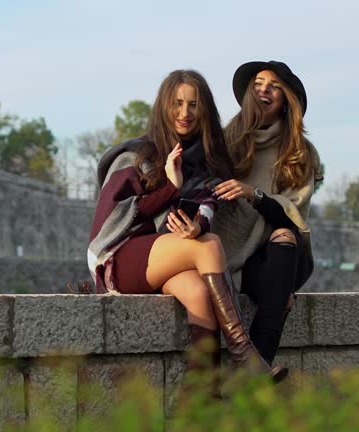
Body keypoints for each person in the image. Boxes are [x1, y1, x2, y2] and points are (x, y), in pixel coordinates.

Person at [87, 69, 287, 384]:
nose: (185, 113)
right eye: (177, 103)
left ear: (204, 110)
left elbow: (207, 206)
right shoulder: (136, 156)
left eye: (193, 105)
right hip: (120, 257)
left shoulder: (207, 160)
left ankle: (202, 401)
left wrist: (195, 226)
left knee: (198, 293)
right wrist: (170, 186)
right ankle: (243, 351)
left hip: (164, 258)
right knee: (209, 244)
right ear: (164, 106)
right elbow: (114, 218)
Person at [212, 61, 323, 365]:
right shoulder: (224, 141)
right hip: (228, 256)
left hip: (278, 258)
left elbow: (292, 220)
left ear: (285, 98)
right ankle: (258, 373)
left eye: (274, 85)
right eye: (258, 83)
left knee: (284, 238)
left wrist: (255, 195)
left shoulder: (300, 153)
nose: (264, 90)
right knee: (280, 297)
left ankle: (255, 365)